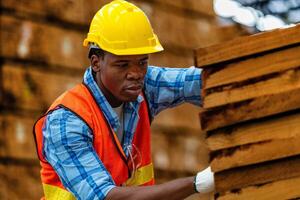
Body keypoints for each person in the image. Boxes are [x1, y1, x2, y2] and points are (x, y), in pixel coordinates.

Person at [33, 0, 215, 199]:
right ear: (96, 62)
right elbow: (106, 197)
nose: (135, 73)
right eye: (122, 64)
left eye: (142, 62)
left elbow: (204, 81)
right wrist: (197, 183)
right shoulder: (67, 121)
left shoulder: (143, 86)